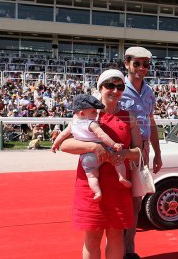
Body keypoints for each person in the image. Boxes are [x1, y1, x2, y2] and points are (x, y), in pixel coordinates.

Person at [59, 69, 142, 259]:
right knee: (92, 236)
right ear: (100, 87)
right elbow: (64, 145)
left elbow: (139, 153)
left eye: (119, 86)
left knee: (115, 236)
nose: (115, 90)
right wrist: (93, 147)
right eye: (109, 86)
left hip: (119, 186)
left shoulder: (129, 117)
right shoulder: (87, 114)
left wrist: (125, 153)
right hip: (91, 186)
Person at [121, 46, 163, 259]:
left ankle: (129, 250)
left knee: (136, 201)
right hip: (123, 150)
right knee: (120, 199)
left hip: (143, 150)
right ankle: (117, 250)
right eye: (137, 63)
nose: (141, 68)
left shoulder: (149, 91)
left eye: (146, 64)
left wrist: (157, 152)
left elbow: (151, 121)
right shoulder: (117, 87)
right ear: (127, 63)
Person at [51, 94, 131, 201]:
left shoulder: (72, 124)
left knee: (92, 176)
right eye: (93, 111)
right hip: (104, 150)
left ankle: (97, 192)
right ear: (82, 113)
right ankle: (122, 177)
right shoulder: (92, 123)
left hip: (86, 157)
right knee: (118, 161)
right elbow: (102, 136)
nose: (96, 113)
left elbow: (62, 135)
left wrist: (55, 144)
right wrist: (114, 145)